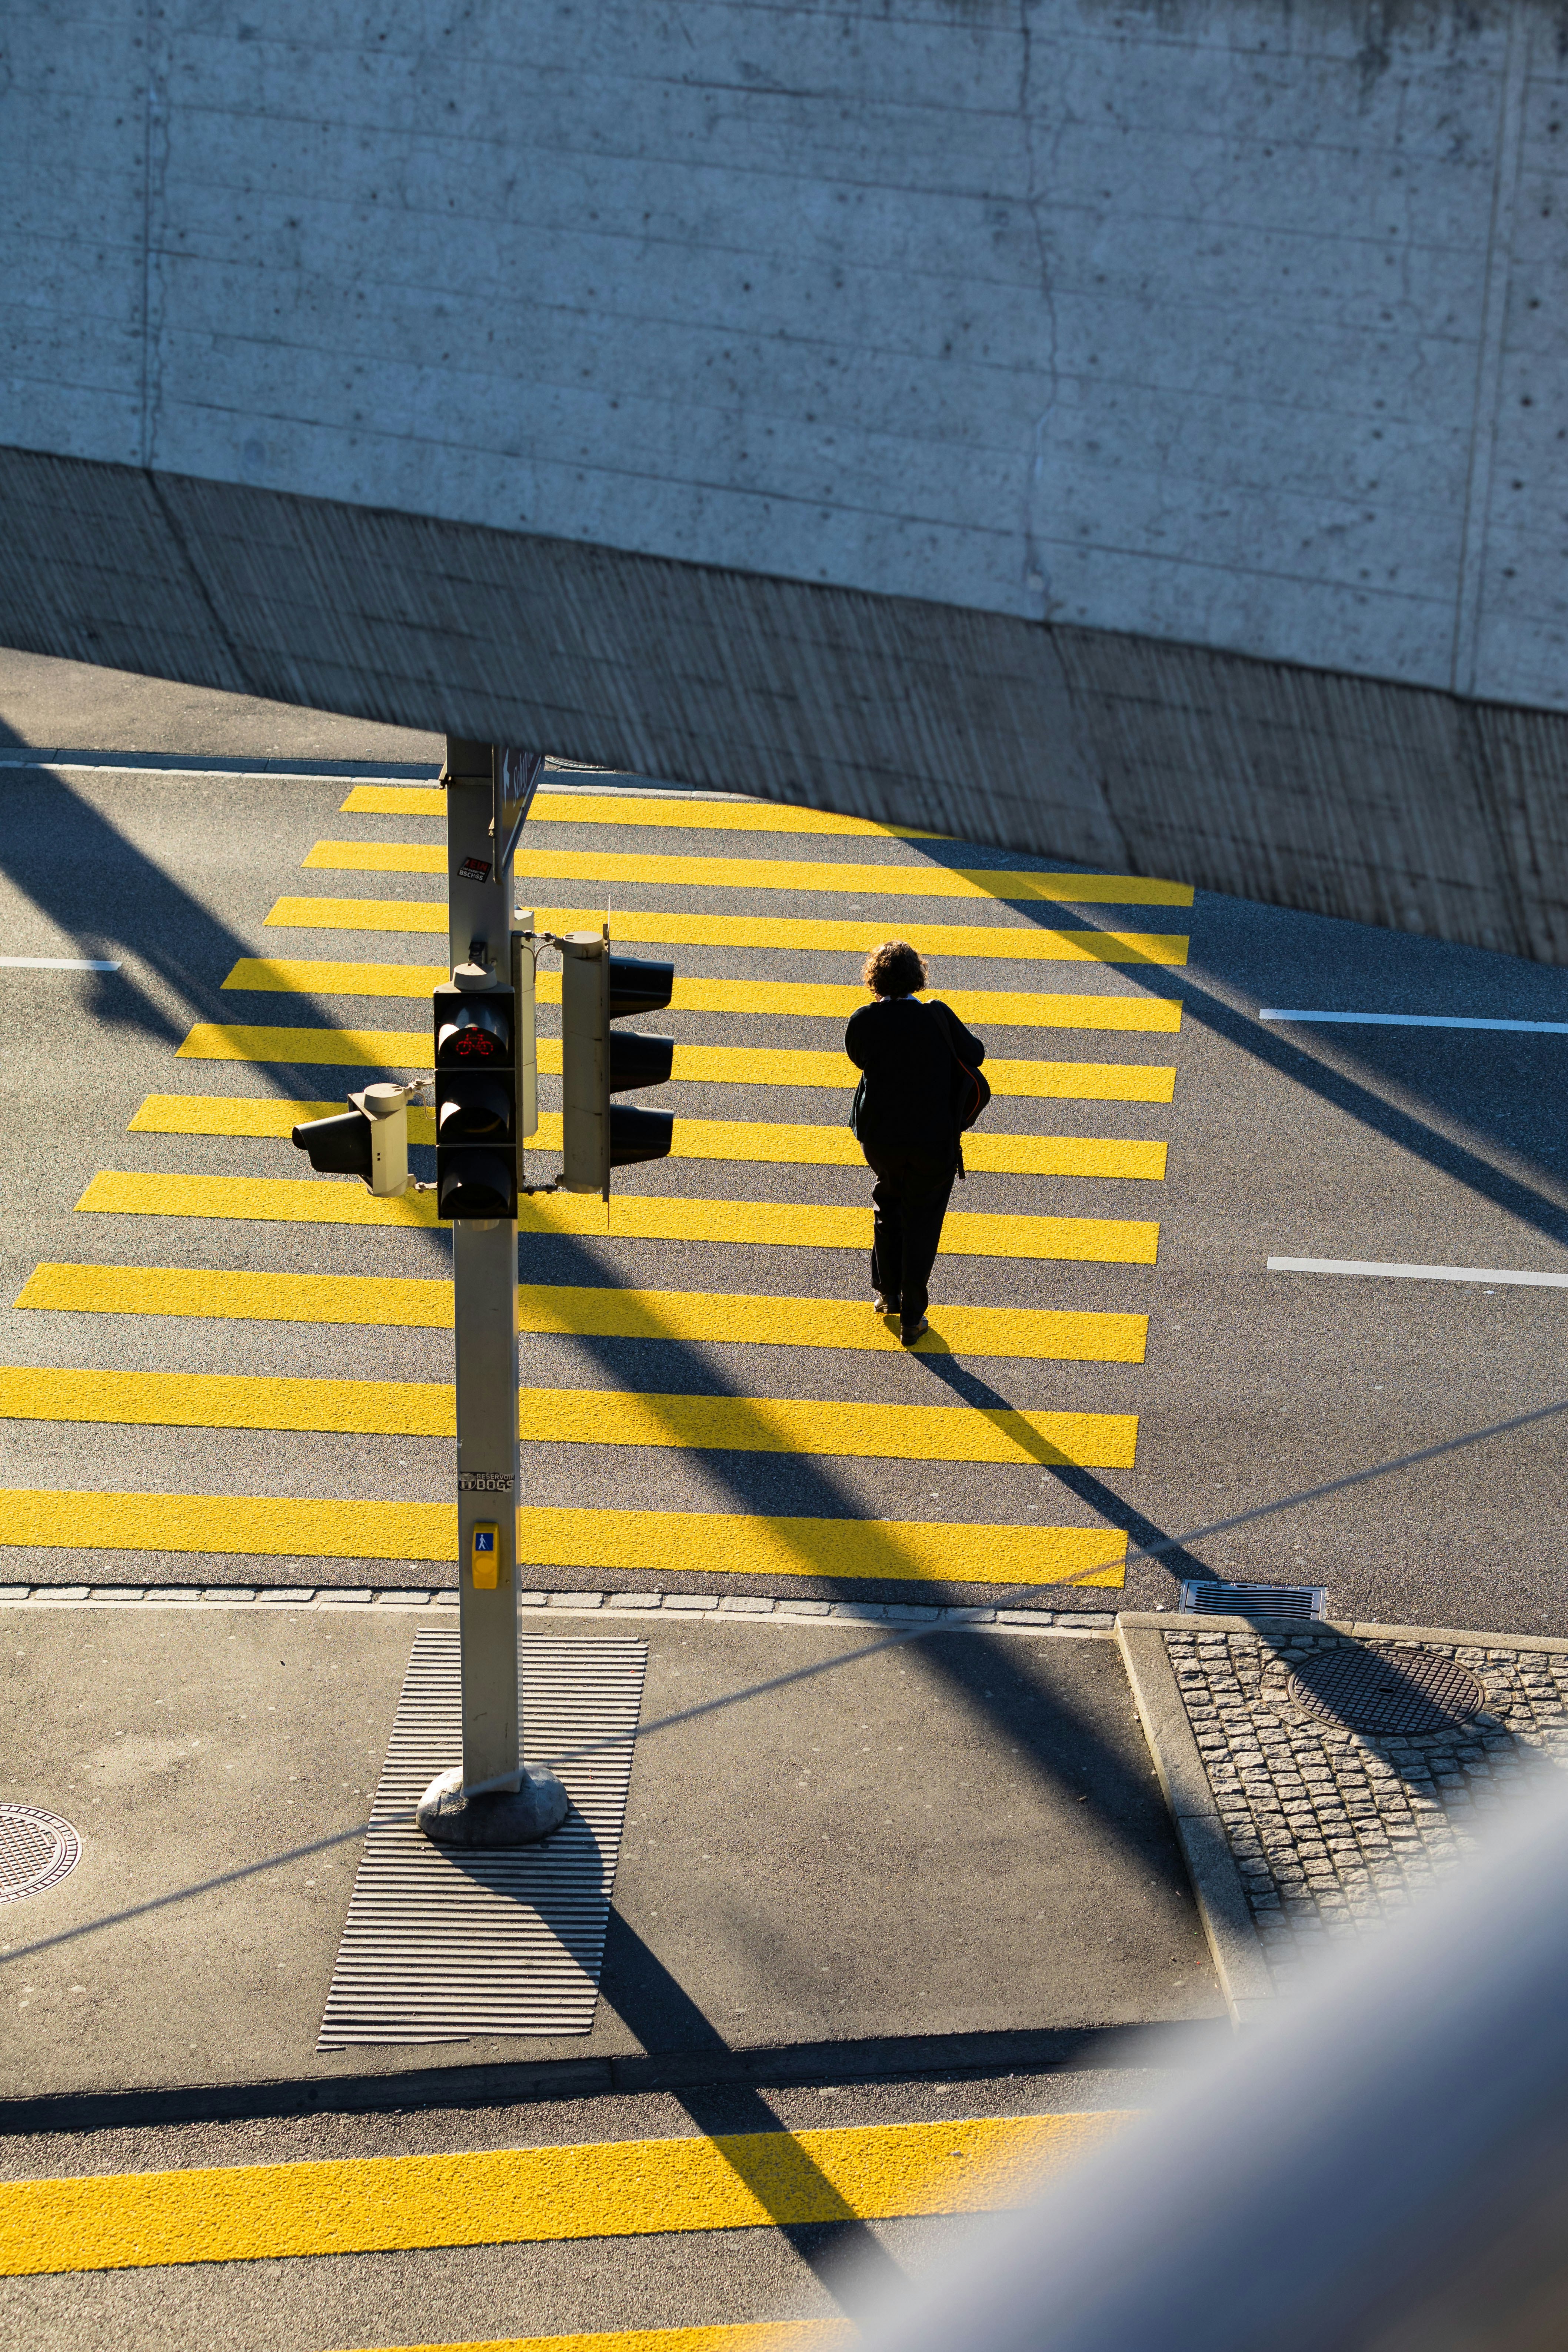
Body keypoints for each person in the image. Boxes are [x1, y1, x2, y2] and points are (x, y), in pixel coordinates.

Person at [844, 940, 986, 1347]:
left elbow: (859, 1058)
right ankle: (913, 1317)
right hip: (933, 1139)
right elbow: (975, 1054)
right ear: (917, 977)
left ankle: (887, 1293)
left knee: (888, 1201)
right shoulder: (937, 1016)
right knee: (923, 1220)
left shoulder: (863, 1021)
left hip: (881, 1138)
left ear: (875, 980)